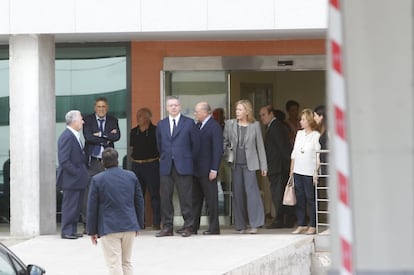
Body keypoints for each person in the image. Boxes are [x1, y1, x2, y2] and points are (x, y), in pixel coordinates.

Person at [87, 148, 144, 275]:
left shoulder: (97, 179)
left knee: (114, 263)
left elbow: (92, 208)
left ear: (102, 162)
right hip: (129, 225)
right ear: (117, 160)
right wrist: (138, 225)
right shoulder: (131, 176)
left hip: (109, 227)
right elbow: (139, 201)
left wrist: (92, 231)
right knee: (126, 262)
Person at [155, 96, 200, 237]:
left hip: (184, 164)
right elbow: (159, 145)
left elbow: (196, 145)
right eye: (170, 105)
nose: (173, 107)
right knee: (166, 197)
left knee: (185, 197)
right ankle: (167, 227)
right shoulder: (161, 124)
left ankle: (188, 226)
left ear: (180, 106)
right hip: (166, 165)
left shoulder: (189, 123)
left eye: (175, 105)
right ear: (167, 108)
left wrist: (186, 158)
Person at [223, 99, 267, 234]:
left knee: (252, 193)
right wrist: (226, 149)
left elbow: (260, 146)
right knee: (238, 194)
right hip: (236, 164)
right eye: (236, 109)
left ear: (247, 111)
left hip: (250, 164)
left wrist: (263, 166)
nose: (237, 112)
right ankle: (240, 225)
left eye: (240, 110)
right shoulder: (230, 124)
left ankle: (255, 223)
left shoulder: (255, 125)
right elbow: (224, 140)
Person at [82, 97, 121, 233]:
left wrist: (100, 135)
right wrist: (106, 137)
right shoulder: (88, 120)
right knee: (89, 193)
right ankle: (88, 224)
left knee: (109, 192)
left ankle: (107, 223)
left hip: (109, 163)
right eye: (99, 107)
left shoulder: (113, 120)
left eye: (103, 106)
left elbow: (117, 137)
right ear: (95, 108)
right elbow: (88, 137)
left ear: (107, 108)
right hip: (93, 161)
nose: (101, 109)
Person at [259, 105, 295, 229]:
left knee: (278, 194)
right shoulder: (273, 127)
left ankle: (280, 219)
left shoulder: (275, 127)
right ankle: (286, 219)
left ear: (271, 114)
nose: (262, 117)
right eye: (261, 115)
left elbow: (283, 148)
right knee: (280, 193)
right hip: (278, 166)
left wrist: (289, 165)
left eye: (264, 114)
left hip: (278, 167)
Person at [56, 110, 89, 239]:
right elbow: (64, 160)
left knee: (76, 206)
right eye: (81, 119)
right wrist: (77, 173)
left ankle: (72, 230)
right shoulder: (67, 136)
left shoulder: (74, 135)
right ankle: (67, 231)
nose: (83, 122)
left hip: (78, 179)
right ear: (74, 121)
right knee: (70, 205)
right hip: (71, 179)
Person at [192, 102, 223, 235]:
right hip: (196, 169)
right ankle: (193, 226)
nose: (195, 114)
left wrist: (214, 168)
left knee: (211, 200)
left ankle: (214, 227)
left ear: (205, 112)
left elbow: (217, 149)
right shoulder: (198, 125)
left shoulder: (214, 126)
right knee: (195, 200)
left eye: (197, 111)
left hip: (208, 170)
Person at [290, 108, 321, 235]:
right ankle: (301, 223)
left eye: (303, 119)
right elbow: (294, 153)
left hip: (309, 171)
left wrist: (316, 171)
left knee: (310, 198)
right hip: (298, 170)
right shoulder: (299, 134)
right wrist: (291, 170)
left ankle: (313, 225)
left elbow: (318, 156)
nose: (301, 122)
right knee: (300, 198)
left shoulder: (316, 135)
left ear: (309, 120)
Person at [129, 107, 161, 230]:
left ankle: (157, 222)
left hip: (151, 164)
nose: (138, 118)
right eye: (137, 116)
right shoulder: (134, 131)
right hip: (137, 165)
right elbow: (132, 148)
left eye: (141, 116)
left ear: (148, 117)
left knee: (154, 194)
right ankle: (139, 222)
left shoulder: (155, 130)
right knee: (138, 195)